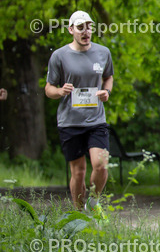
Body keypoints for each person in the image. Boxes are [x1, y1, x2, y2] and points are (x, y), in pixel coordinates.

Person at [44, 11, 114, 211]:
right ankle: (79, 214)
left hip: (96, 120)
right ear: (71, 30)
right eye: (81, 27)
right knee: (79, 172)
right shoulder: (59, 56)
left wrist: (106, 91)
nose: (86, 31)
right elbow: (48, 89)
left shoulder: (103, 52)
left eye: (89, 27)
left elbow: (108, 76)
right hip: (70, 122)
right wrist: (60, 90)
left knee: (100, 165)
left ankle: (93, 203)